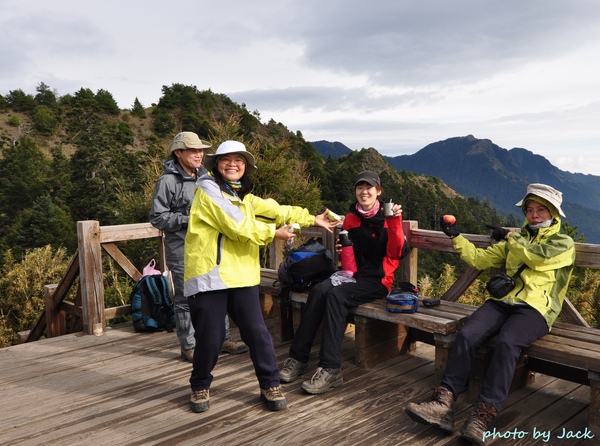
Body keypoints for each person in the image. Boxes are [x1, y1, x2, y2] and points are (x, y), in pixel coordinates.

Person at [405, 183, 575, 446]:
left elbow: (537, 259)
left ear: (554, 213)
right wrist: (456, 237)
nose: (534, 215)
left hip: (537, 310)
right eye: (530, 210)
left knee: (508, 342)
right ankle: (443, 403)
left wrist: (510, 238)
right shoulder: (516, 239)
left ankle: (482, 416)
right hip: (502, 302)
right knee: (469, 333)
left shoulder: (562, 243)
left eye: (541, 209)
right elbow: (480, 259)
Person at [183, 140, 339, 413]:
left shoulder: (244, 197)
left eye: (239, 160)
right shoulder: (208, 189)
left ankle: (269, 383)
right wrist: (272, 233)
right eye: (227, 159)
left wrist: (311, 219)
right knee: (212, 337)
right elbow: (236, 225)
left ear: (246, 167)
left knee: (257, 333)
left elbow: (276, 210)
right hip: (209, 275)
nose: (233, 164)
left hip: (241, 275)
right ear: (216, 165)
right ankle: (199, 385)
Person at [279, 170, 410, 394]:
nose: (364, 192)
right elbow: (350, 255)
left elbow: (397, 252)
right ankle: (298, 359)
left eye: (369, 188)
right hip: (353, 275)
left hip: (379, 280)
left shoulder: (389, 219)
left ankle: (330, 369)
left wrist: (395, 221)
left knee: (336, 296)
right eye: (360, 187)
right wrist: (346, 250)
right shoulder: (351, 218)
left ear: (378, 191)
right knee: (319, 290)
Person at [149, 132, 247, 363]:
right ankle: (189, 345)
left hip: (209, 247)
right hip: (181, 249)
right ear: (178, 153)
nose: (199, 154)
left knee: (217, 290)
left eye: (201, 150)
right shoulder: (167, 182)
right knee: (185, 298)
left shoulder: (206, 175)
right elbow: (158, 218)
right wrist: (191, 219)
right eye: (193, 150)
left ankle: (223, 339)